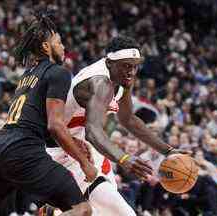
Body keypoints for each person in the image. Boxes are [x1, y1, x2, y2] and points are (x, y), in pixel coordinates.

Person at [0, 8, 97, 216]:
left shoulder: (27, 75)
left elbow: (39, 126)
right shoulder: (59, 73)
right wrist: (84, 162)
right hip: (22, 150)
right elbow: (55, 125)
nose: (64, 47)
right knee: (81, 209)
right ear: (46, 46)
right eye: (59, 42)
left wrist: (72, 140)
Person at [47, 36, 187, 215]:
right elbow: (93, 131)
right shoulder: (99, 83)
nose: (131, 72)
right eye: (127, 65)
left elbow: (128, 119)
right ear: (109, 62)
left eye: (135, 66)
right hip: (60, 151)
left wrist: (168, 151)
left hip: (87, 148)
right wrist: (124, 159)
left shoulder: (123, 78)